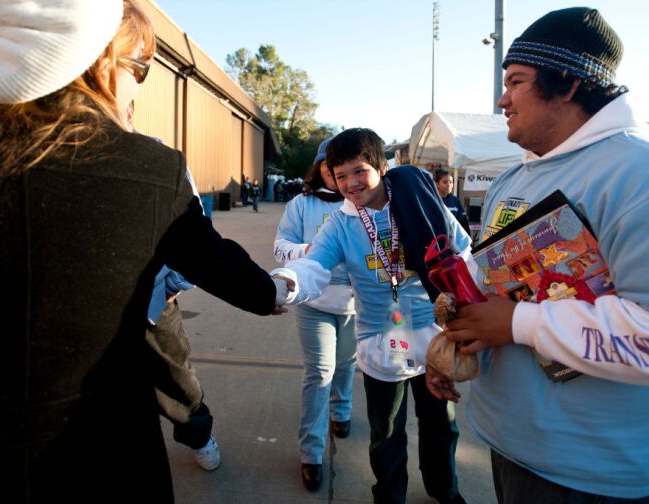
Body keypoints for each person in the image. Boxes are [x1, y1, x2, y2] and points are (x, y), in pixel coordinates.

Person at [0, 1, 289, 502]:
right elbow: (215, 261)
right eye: (140, 68)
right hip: (101, 453)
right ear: (101, 64)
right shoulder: (147, 167)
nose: (137, 89)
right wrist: (273, 290)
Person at [426, 7, 649, 503]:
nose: (501, 99)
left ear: (569, 84)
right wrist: (455, 340)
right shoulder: (512, 177)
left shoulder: (637, 175)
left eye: (517, 81)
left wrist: (517, 324)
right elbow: (496, 288)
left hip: (590, 471)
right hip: (508, 442)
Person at [273, 128, 470, 504]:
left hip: (432, 336)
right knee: (386, 433)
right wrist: (284, 281)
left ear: (381, 166)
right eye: (340, 174)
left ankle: (444, 488)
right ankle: (389, 495)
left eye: (359, 171)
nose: (350, 183)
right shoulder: (340, 224)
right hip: (381, 344)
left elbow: (462, 249)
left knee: (440, 424)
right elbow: (314, 267)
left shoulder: (418, 200)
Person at [125, 100, 222, 471]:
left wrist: (175, 282)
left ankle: (198, 434)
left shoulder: (162, 160)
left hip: (152, 301)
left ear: (130, 110)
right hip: (88, 309)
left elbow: (195, 225)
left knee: (176, 380)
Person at [274, 138, 356, 491]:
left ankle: (342, 410)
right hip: (313, 302)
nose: (333, 170)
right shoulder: (300, 204)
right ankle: (311, 453)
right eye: (328, 163)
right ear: (320, 166)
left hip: (355, 303)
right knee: (320, 371)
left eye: (341, 164)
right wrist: (309, 250)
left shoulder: (361, 201)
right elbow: (280, 246)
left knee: (346, 363)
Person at [434, 169, 470, 234]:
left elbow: (463, 222)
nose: (448, 185)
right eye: (445, 182)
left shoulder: (455, 201)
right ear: (437, 184)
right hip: (436, 238)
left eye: (451, 182)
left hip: (452, 239)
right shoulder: (433, 199)